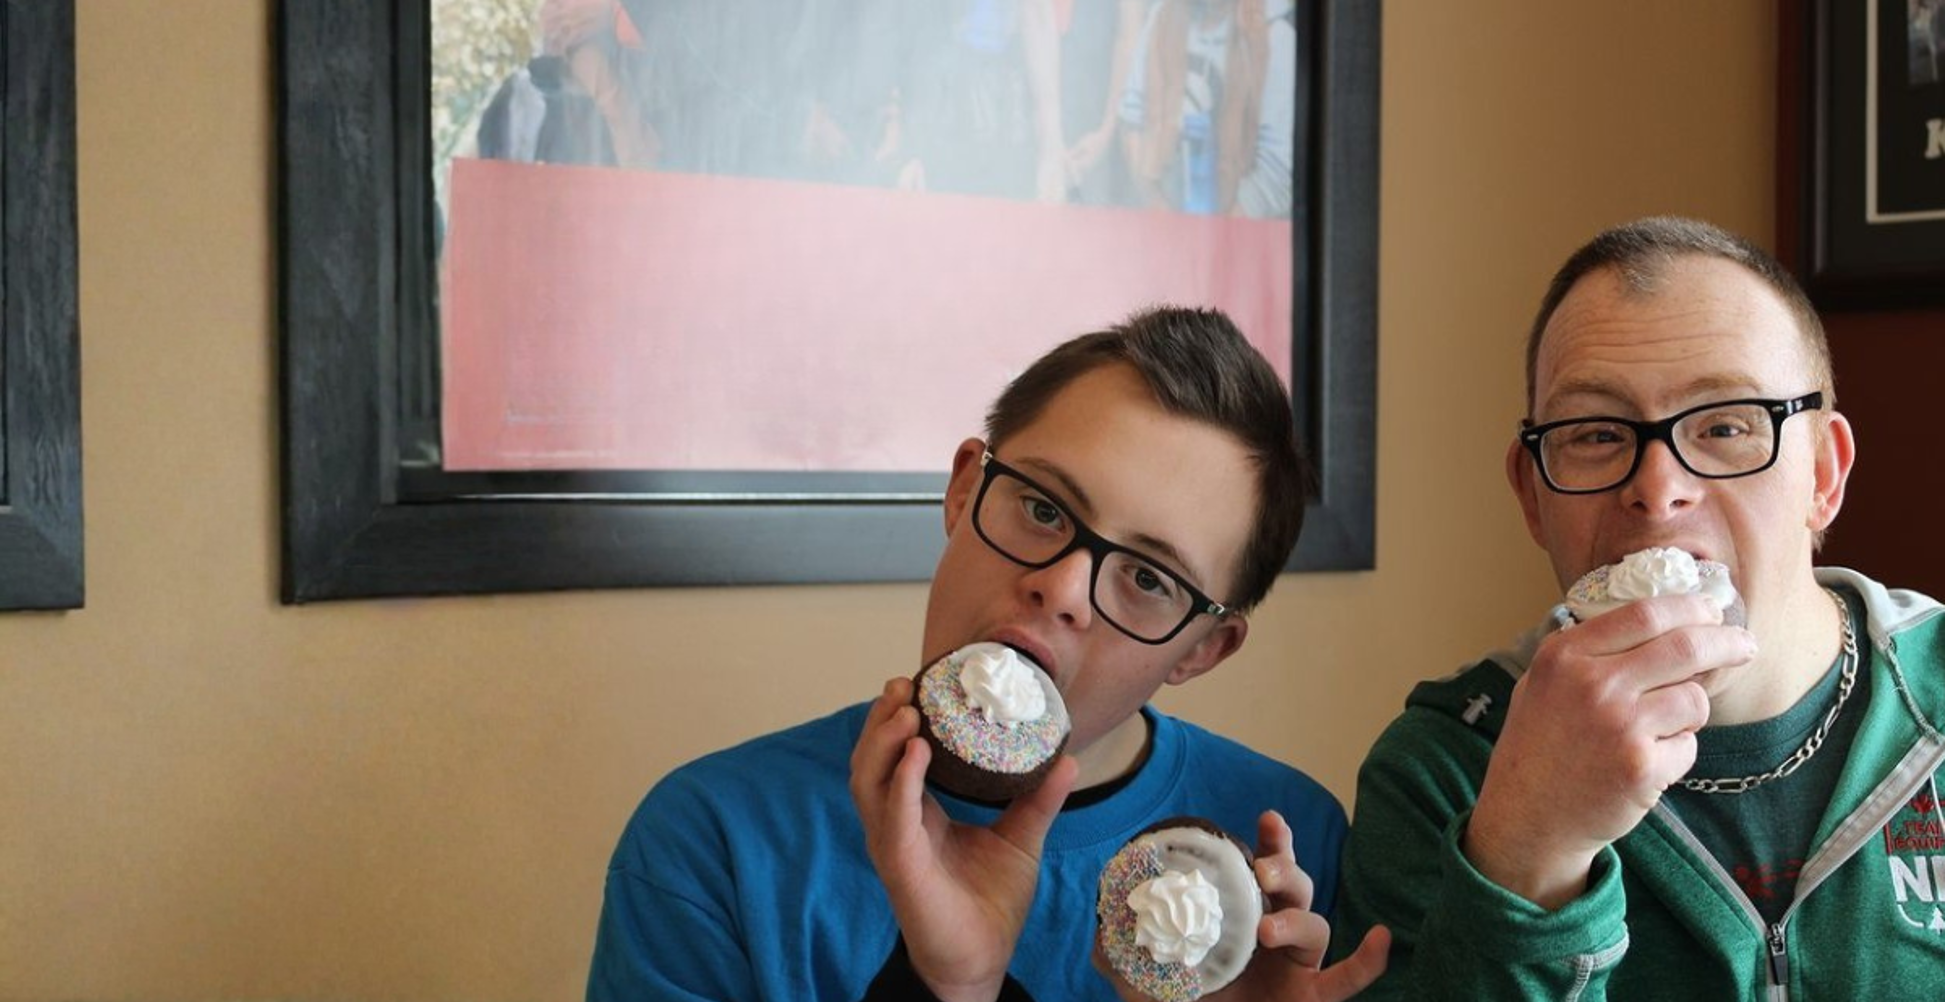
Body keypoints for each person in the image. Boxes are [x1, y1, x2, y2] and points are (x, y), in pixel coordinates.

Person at [587, 305, 1389, 1001]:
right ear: (965, 489)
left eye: (1147, 577)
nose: (1063, 589)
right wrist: (945, 989)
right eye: (1042, 507)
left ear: (1202, 649)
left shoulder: (1284, 866)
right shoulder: (714, 841)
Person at [1333, 216, 1945, 998]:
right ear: (1531, 494)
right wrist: (1527, 854)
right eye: (1594, 434)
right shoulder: (1441, 771)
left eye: (1725, 425)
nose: (1656, 490)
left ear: (1823, 475)